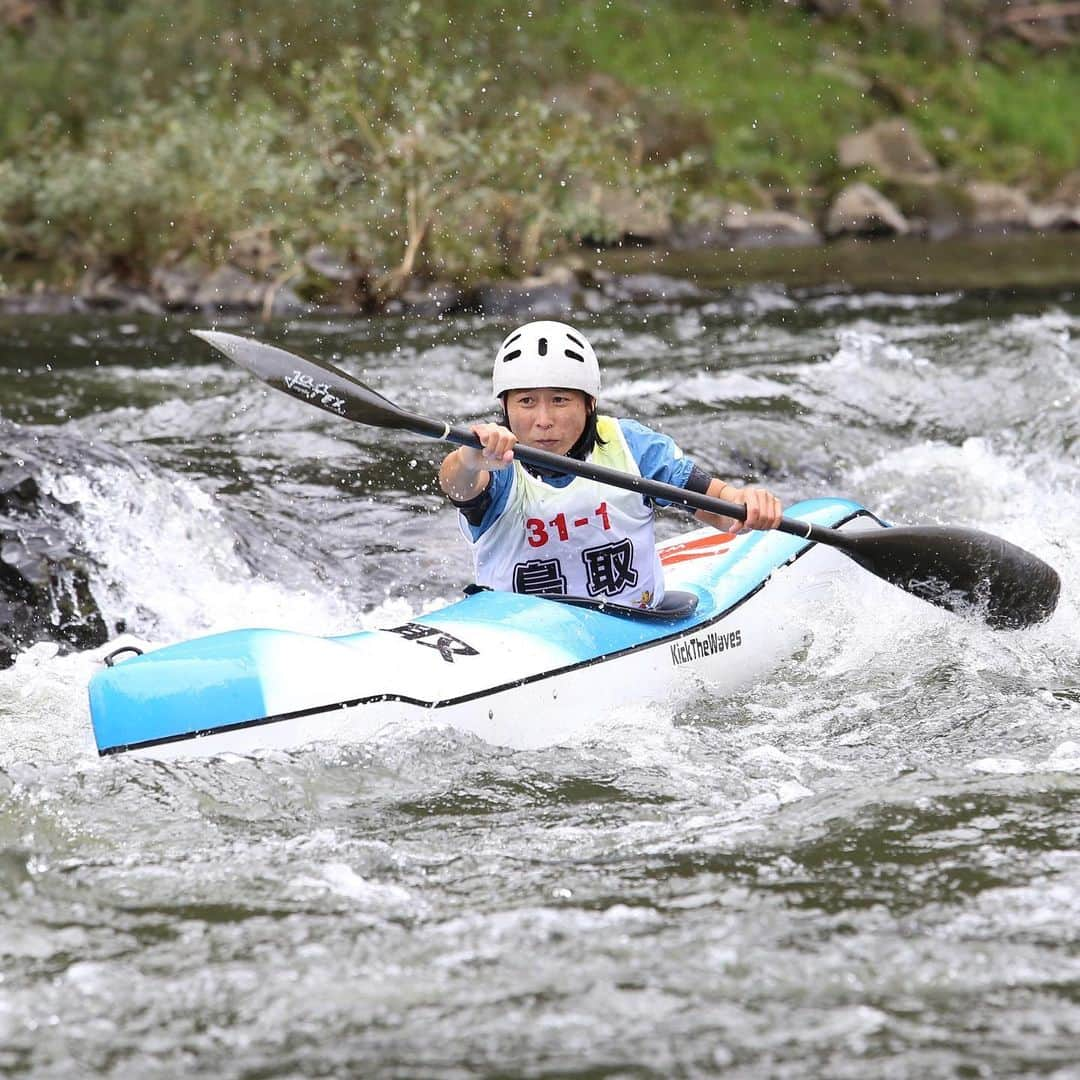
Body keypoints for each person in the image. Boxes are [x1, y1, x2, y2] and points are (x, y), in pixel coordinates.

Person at [439, 320, 782, 609]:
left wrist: (745, 504)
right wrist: (469, 458)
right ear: (505, 405)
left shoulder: (632, 446)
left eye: (560, 400)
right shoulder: (491, 458)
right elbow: (459, 485)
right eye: (527, 402)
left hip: (632, 625)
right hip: (519, 636)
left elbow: (721, 510)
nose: (543, 420)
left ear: (589, 403)